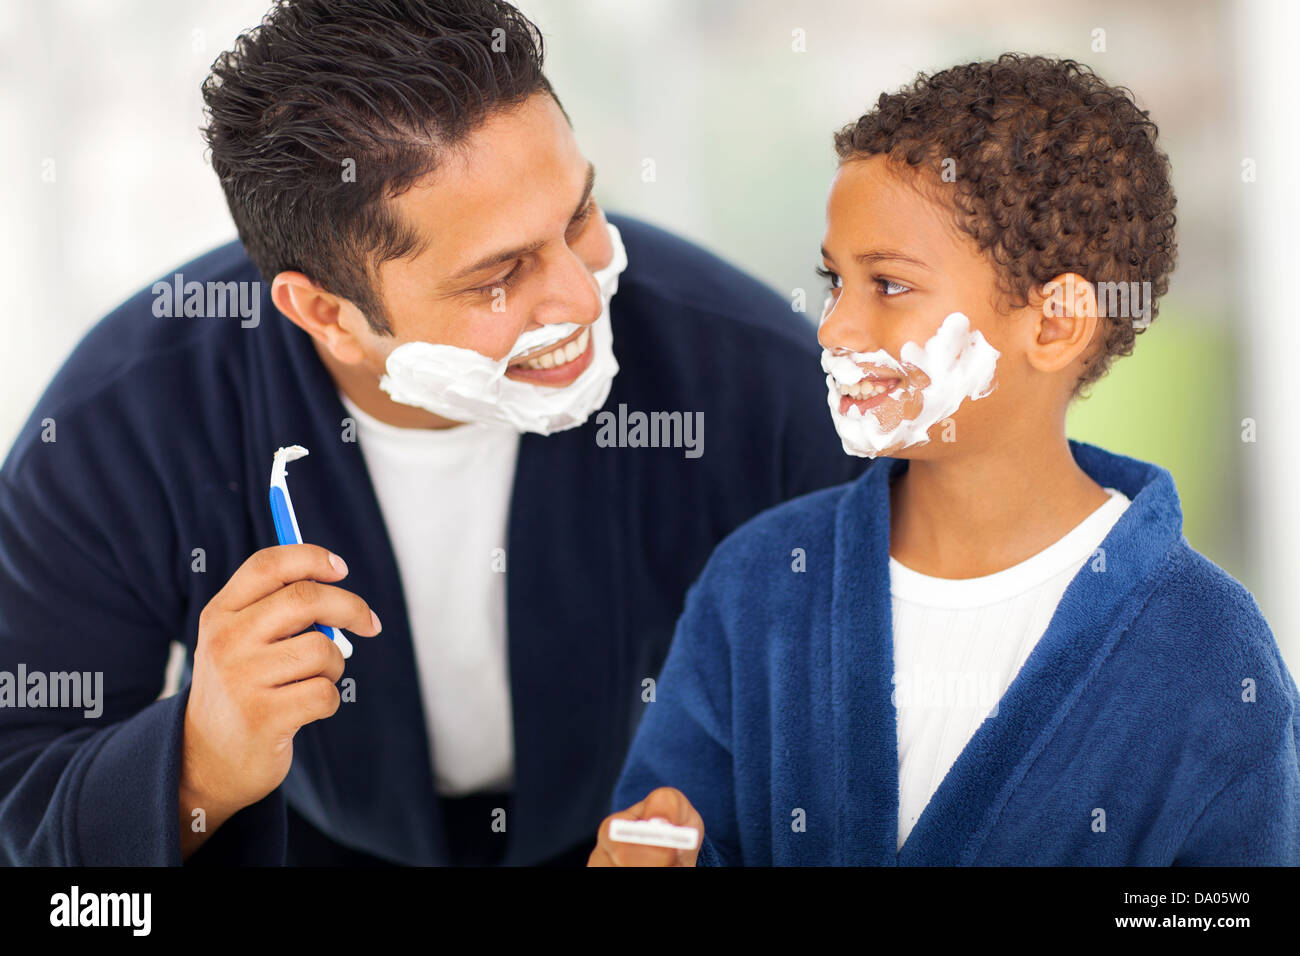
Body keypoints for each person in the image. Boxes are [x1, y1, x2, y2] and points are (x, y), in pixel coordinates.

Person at [0, 0, 864, 866]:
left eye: (578, 216)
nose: (581, 294)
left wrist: (727, 833)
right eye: (499, 274)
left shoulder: (758, 380)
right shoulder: (118, 429)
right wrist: (196, 773)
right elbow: (20, 790)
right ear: (327, 313)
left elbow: (875, 730)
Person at [594, 54, 1300, 866]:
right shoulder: (757, 582)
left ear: (1054, 325)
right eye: (834, 280)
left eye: (888, 286)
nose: (833, 329)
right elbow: (679, 830)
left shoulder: (1210, 656)